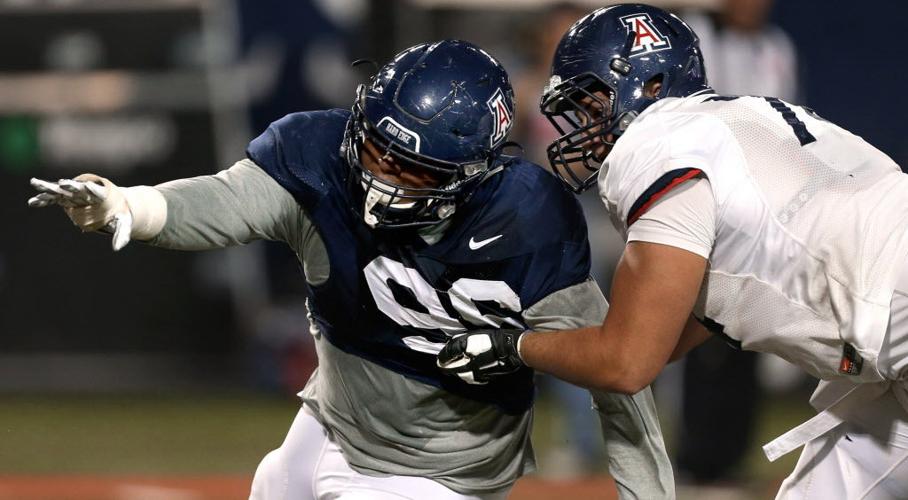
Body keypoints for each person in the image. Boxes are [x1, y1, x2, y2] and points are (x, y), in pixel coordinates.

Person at [29, 40, 673, 499]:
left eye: (411, 168)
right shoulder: (316, 154)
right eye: (376, 147)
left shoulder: (531, 219)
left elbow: (610, 371)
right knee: (273, 483)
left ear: (475, 172)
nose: (379, 175)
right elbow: (231, 200)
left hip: (438, 470)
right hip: (328, 421)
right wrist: (132, 206)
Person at [437, 5, 908, 499]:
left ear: (653, 86)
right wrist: (582, 344)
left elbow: (627, 363)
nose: (585, 127)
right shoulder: (739, 118)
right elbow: (668, 334)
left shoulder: (655, 144)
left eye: (594, 105)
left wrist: (514, 347)